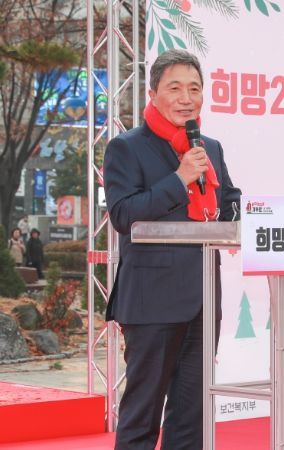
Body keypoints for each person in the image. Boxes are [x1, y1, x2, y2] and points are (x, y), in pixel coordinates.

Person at [104, 49, 241, 450]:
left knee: (191, 414)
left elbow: (228, 200)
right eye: (175, 88)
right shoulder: (127, 147)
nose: (186, 98)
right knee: (142, 412)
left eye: (194, 89)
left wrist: (235, 214)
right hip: (152, 302)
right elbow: (124, 214)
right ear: (153, 94)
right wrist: (180, 178)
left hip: (203, 299)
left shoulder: (210, 147)